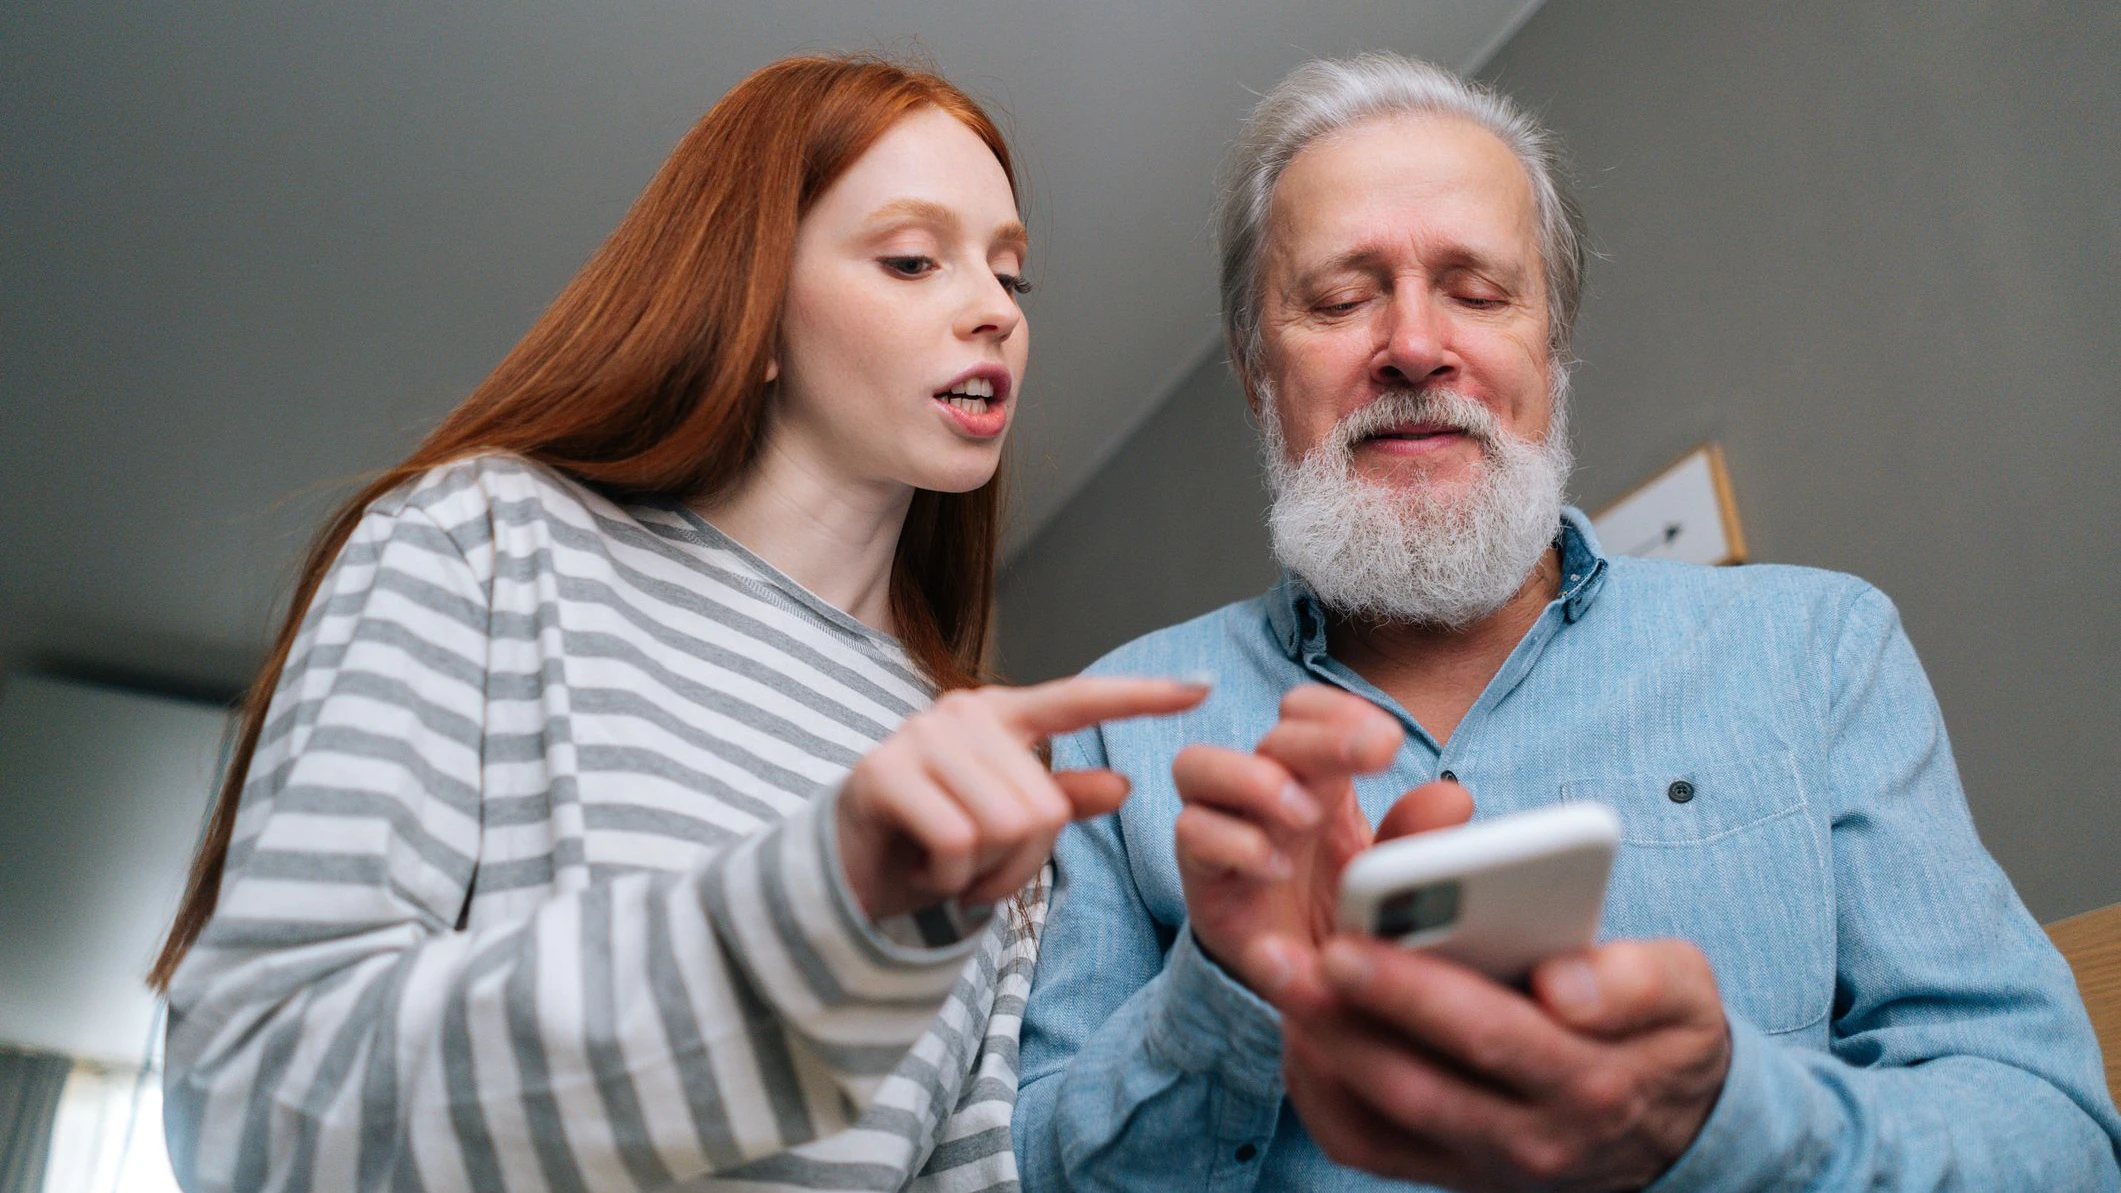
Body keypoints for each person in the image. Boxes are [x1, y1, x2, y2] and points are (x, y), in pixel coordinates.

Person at [1014, 52, 2121, 1191]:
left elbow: (2057, 1136)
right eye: (1341, 298)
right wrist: (1224, 998)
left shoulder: (1819, 649)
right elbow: (1031, 1169)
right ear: (1257, 374)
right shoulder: (1114, 731)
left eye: (1477, 291)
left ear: (1553, 350)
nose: (1413, 344)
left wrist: (1721, 1120)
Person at [149, 54, 1206, 1193]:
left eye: (1010, 273)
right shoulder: (486, 545)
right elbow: (252, 1102)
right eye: (912, 259)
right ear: (751, 304)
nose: (996, 309)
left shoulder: (978, 767)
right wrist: (809, 914)